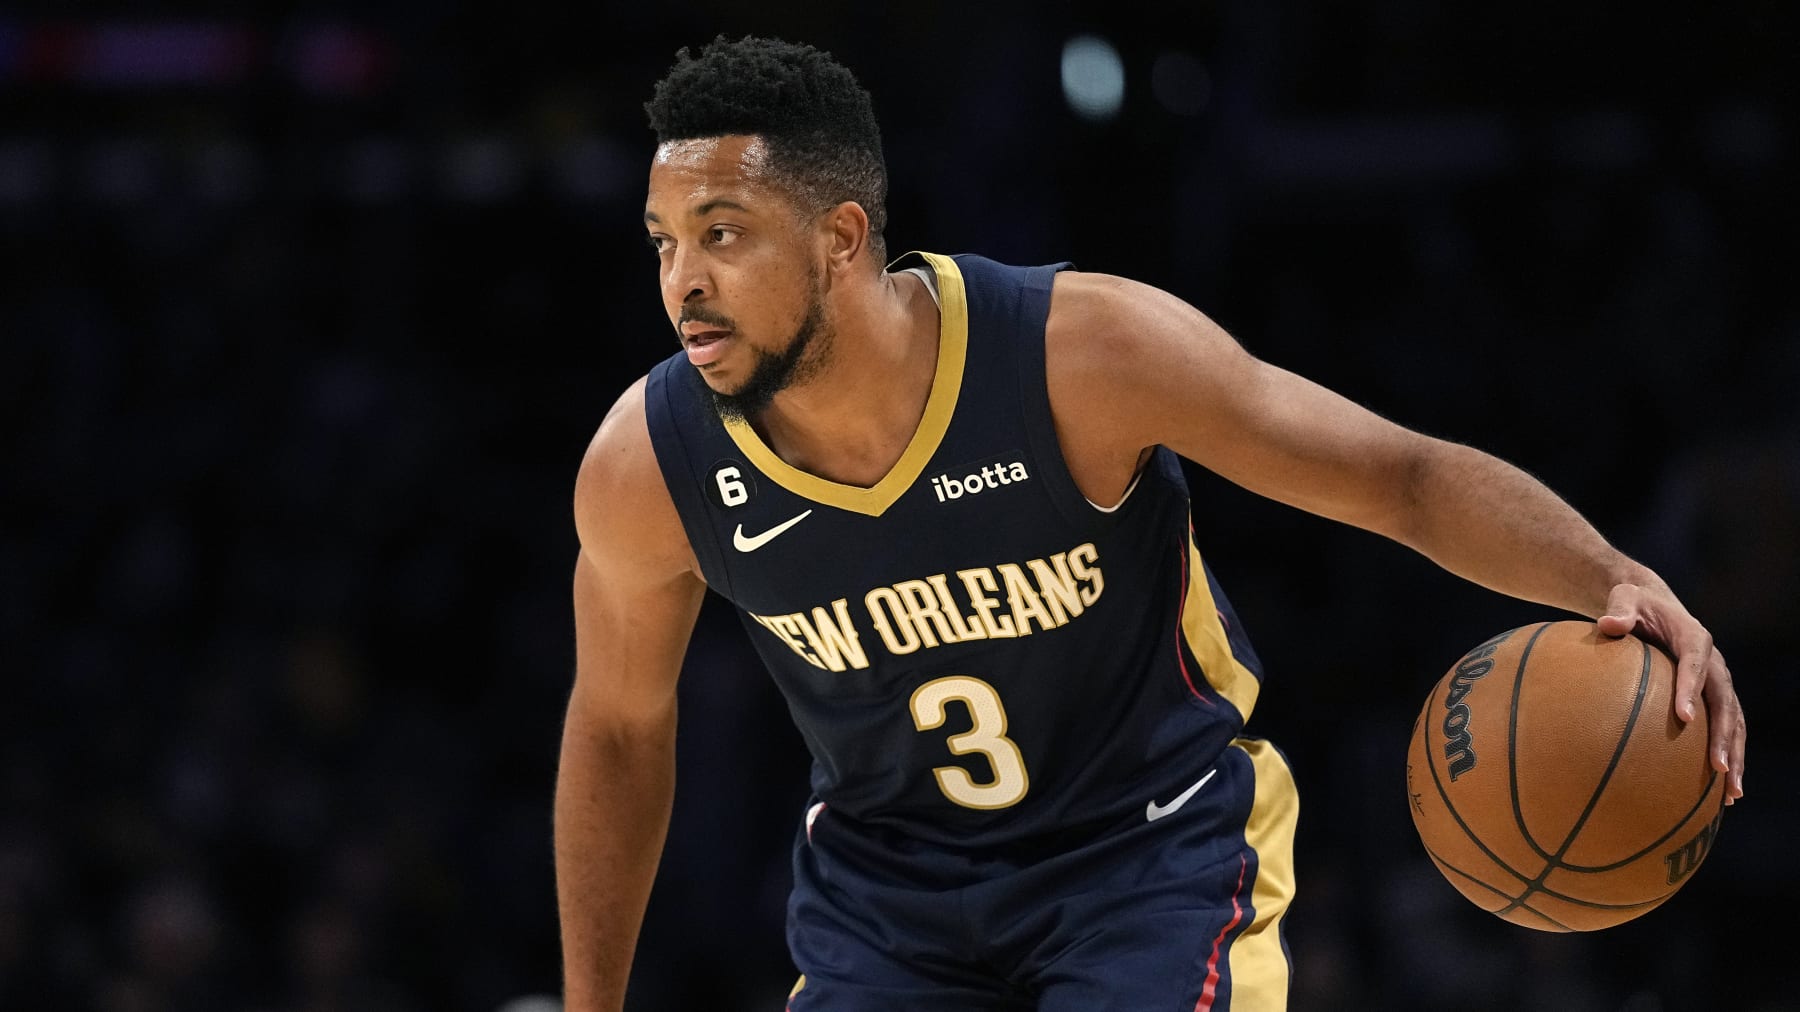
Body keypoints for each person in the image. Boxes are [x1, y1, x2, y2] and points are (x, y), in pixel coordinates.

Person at [553, 34, 1747, 1012]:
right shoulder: (647, 466)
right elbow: (615, 724)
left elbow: (1403, 478)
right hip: (887, 899)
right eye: (664, 243)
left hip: (1150, 859)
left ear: (841, 239)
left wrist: (1611, 573)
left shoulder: (1081, 357)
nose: (681, 284)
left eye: (721, 233)